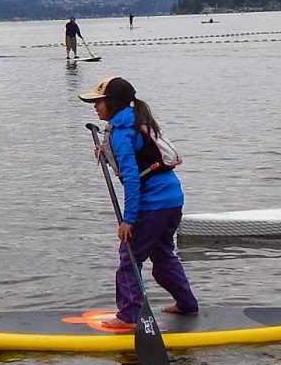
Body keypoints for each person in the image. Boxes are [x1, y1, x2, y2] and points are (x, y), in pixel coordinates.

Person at [79, 76, 198, 322]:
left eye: (99, 102)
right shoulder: (135, 121)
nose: (95, 106)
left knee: (129, 258)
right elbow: (140, 157)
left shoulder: (122, 133)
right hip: (173, 199)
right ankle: (187, 304)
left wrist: (129, 220)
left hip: (153, 204)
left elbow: (132, 180)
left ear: (113, 103)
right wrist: (107, 154)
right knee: (163, 255)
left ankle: (129, 316)